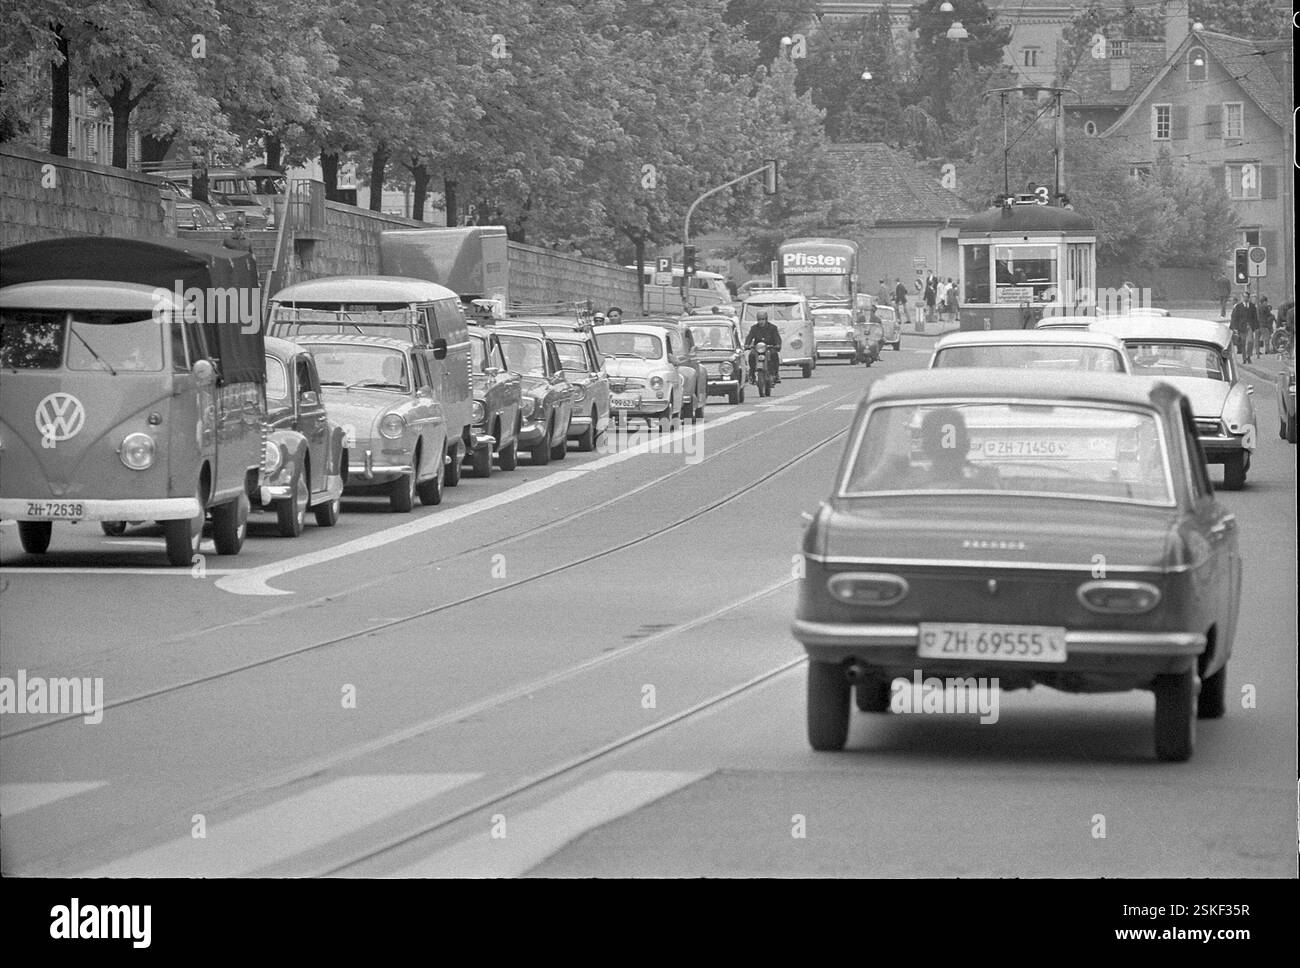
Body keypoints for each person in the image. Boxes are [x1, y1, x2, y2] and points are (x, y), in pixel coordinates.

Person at [744, 310, 782, 385]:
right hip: (757, 348)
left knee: (774, 355)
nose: (761, 322)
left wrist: (777, 345)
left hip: (769, 347)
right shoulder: (754, 328)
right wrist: (747, 344)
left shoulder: (773, 328)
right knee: (751, 356)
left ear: (766, 319)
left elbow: (777, 338)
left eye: (763, 319)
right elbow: (749, 337)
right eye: (759, 320)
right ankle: (752, 375)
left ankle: (776, 374)